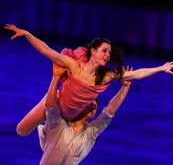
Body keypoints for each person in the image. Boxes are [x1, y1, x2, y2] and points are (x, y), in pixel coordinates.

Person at [4, 24, 173, 136]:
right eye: (104, 51)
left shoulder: (105, 76)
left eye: (109, 53)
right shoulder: (74, 66)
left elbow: (135, 74)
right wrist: (27, 34)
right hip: (53, 104)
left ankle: (49, 130)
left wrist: (160, 68)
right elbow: (47, 51)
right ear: (93, 51)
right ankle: (45, 128)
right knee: (21, 131)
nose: (107, 55)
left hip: (72, 117)